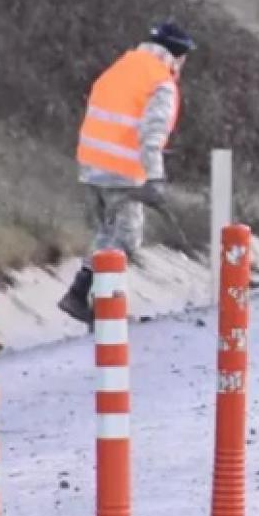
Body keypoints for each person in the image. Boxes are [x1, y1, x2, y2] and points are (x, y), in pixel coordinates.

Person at [58, 22, 196, 324]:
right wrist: (155, 177)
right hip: (120, 171)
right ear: (179, 55)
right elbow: (152, 133)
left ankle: (90, 302)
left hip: (91, 163)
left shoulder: (122, 66)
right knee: (126, 238)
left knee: (107, 233)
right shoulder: (160, 82)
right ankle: (91, 301)